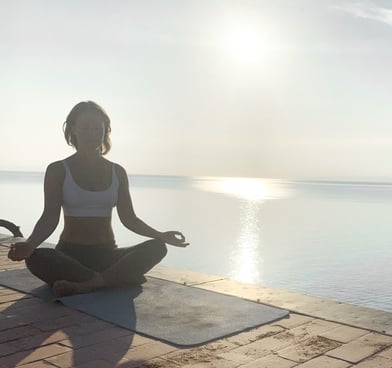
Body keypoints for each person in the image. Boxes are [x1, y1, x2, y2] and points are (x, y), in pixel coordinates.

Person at [7, 101, 189, 296]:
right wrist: (30, 244)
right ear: (73, 130)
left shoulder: (117, 172)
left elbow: (129, 219)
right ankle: (115, 278)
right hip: (69, 255)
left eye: (97, 128)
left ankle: (88, 283)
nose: (92, 133)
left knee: (156, 247)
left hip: (108, 254)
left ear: (105, 132)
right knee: (37, 257)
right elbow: (49, 217)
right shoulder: (58, 170)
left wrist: (161, 235)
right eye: (85, 127)